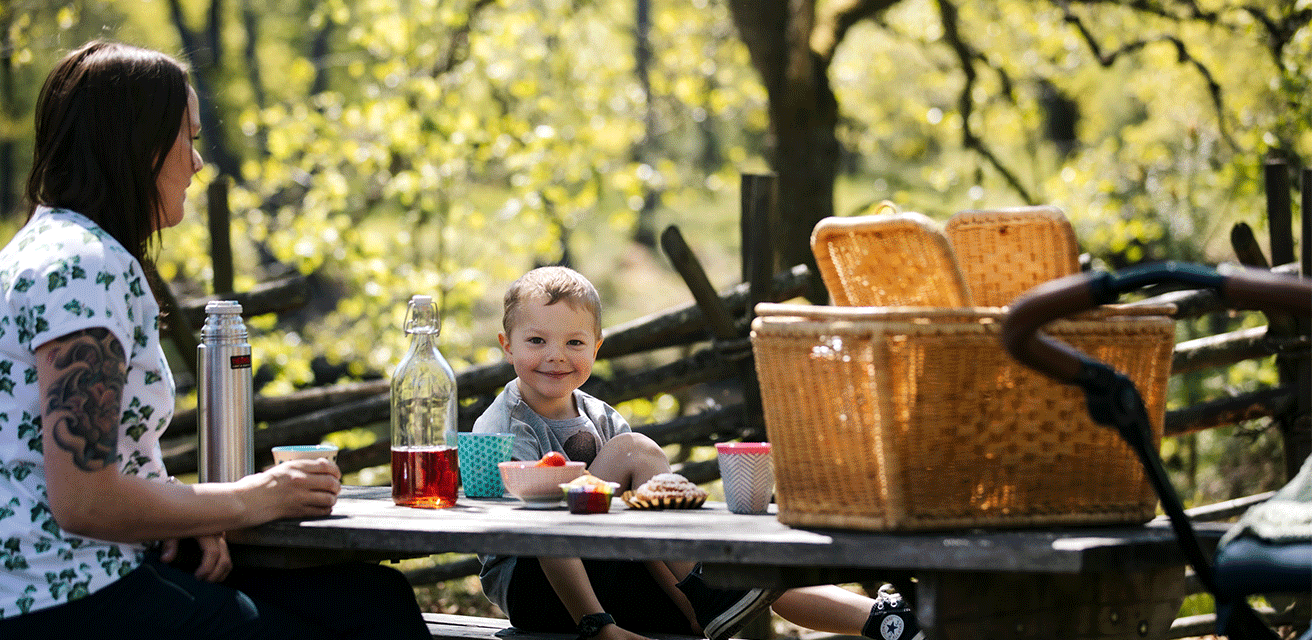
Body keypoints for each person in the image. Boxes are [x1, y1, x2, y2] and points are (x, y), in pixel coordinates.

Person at [0, 40, 430, 639]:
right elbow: (84, 501)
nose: (198, 163)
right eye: (189, 138)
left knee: (369, 599)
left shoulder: (48, 248)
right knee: (361, 618)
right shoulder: (82, 265)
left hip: (84, 576)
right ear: (139, 145)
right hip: (65, 597)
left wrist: (182, 511)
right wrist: (254, 498)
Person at [473, 266, 924, 640]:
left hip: (606, 572)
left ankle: (887, 622)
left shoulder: (601, 416)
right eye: (537, 341)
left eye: (574, 342)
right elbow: (538, 535)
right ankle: (704, 593)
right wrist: (599, 625)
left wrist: (686, 606)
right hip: (540, 590)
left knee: (741, 579)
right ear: (507, 345)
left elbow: (643, 530)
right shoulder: (507, 425)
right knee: (636, 452)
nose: (556, 356)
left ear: (596, 347)